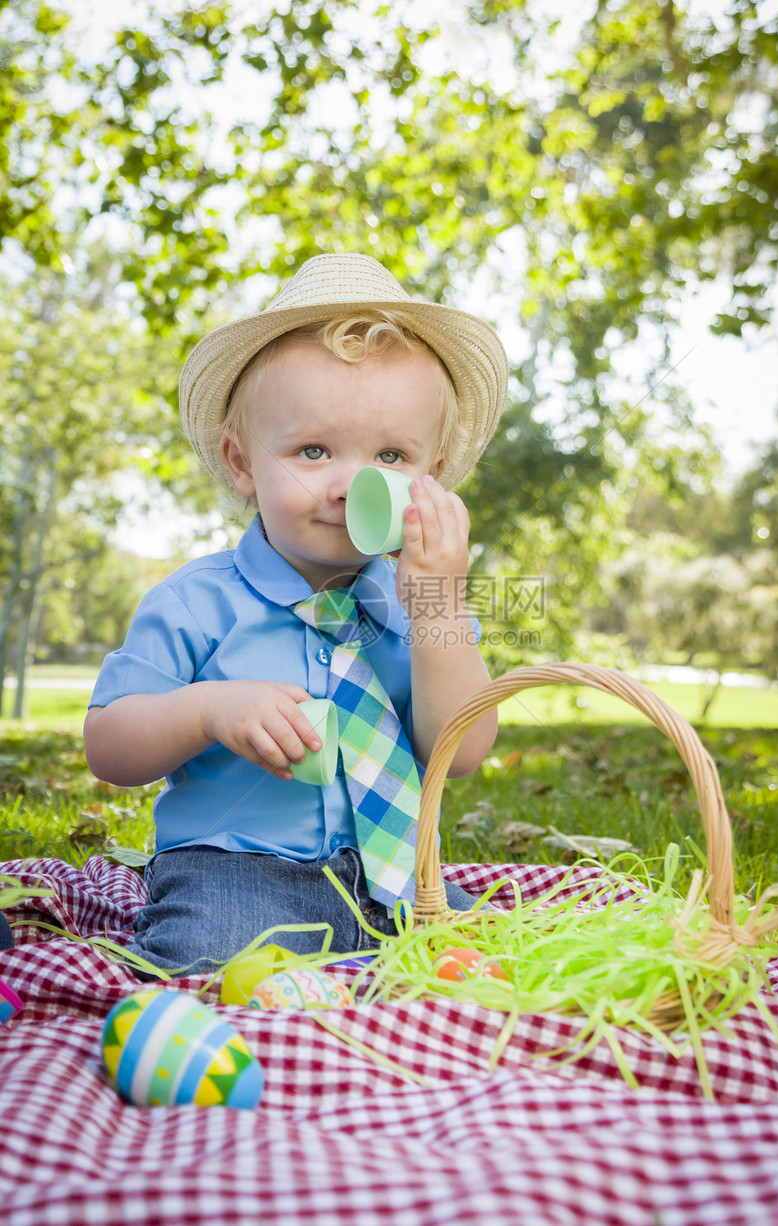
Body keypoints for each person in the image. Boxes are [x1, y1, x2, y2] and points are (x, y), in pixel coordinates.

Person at [84, 252, 508, 975]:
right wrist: (206, 711)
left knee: (501, 957)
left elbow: (462, 753)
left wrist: (439, 606)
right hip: (238, 872)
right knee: (204, 963)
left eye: (390, 454)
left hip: (400, 882)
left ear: (431, 477)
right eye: (313, 450)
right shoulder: (197, 601)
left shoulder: (427, 598)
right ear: (243, 463)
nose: (350, 484)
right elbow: (109, 748)